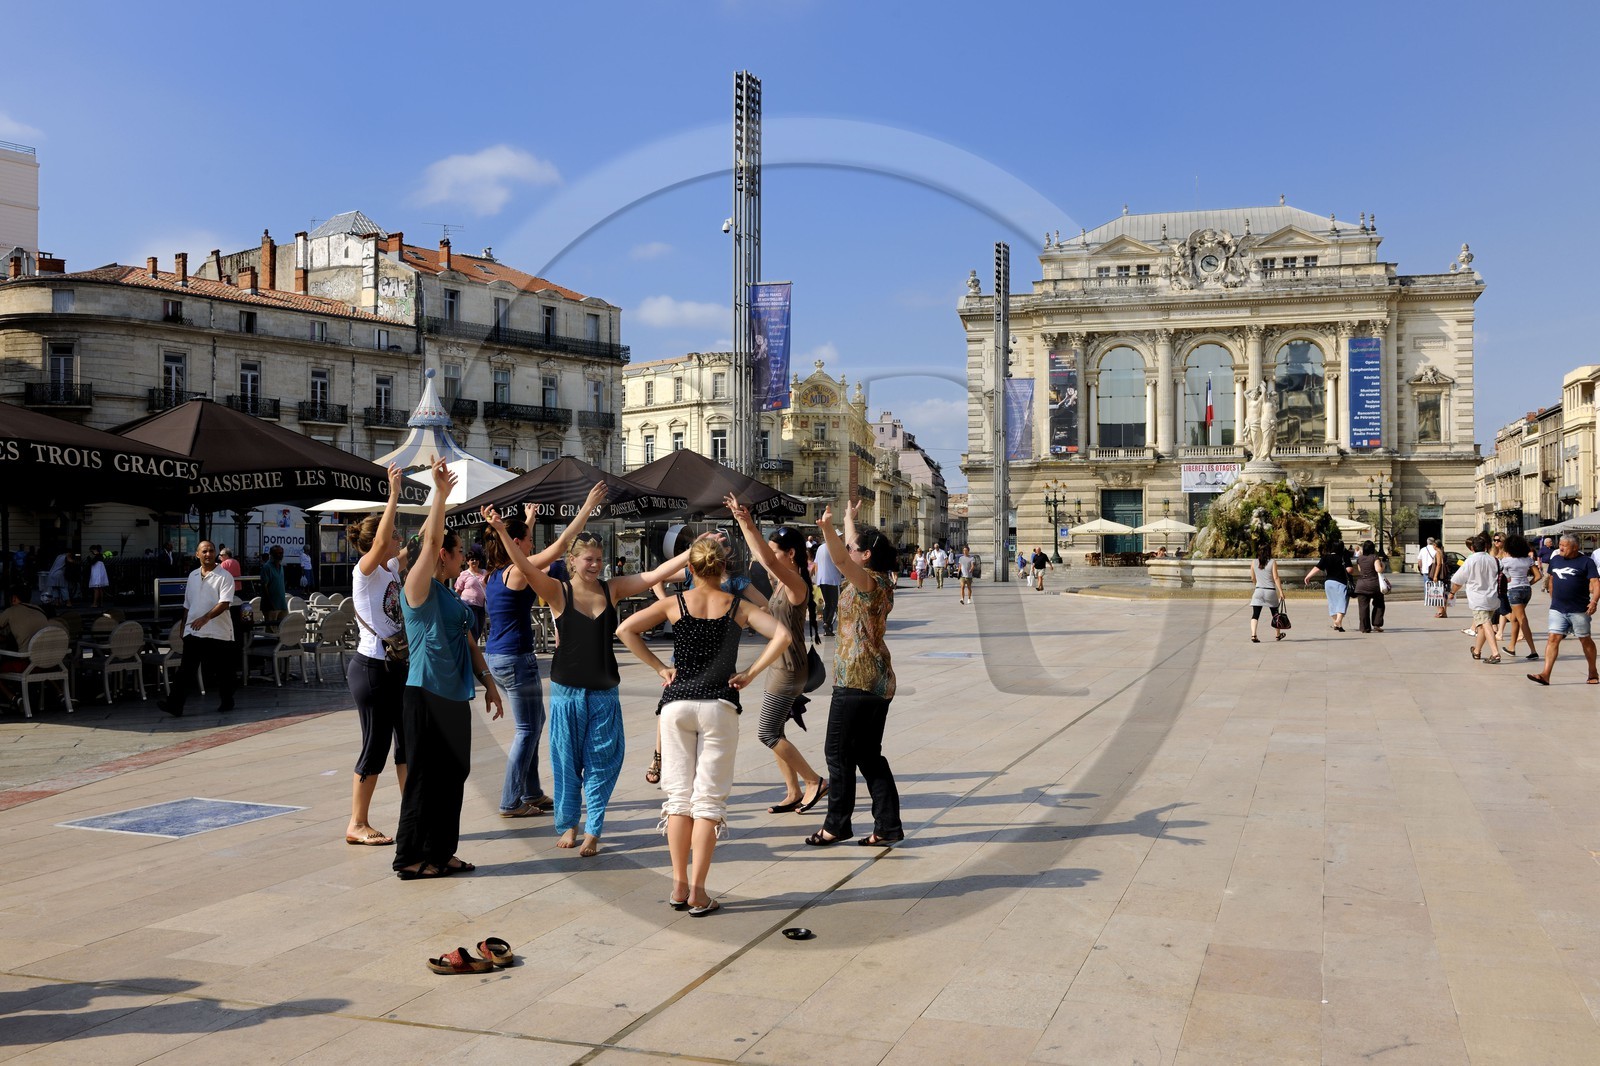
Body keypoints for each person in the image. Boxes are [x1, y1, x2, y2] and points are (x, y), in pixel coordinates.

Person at [479, 497, 700, 857]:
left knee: (601, 764)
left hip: (603, 692)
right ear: (573, 562)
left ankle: (593, 829)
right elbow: (523, 565)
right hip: (566, 693)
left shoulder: (611, 589)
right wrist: (505, 531)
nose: (596, 565)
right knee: (566, 765)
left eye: (599, 559)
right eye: (589, 559)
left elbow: (655, 575)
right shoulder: (556, 591)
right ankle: (569, 824)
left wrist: (696, 550)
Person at [617, 536, 791, 915]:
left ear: (691, 570)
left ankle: (678, 888)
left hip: (676, 705)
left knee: (678, 799)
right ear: (723, 569)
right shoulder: (738, 606)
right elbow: (783, 634)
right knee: (708, 801)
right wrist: (750, 672)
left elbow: (625, 630)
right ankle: (698, 892)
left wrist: (660, 667)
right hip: (718, 706)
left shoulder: (674, 604)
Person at [393, 459, 504, 880]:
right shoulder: (417, 590)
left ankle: (441, 851)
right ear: (444, 554)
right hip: (425, 693)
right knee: (424, 777)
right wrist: (439, 494)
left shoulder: (450, 596)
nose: (465, 557)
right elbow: (433, 537)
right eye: (460, 552)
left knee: (455, 773)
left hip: (456, 694)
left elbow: (469, 640)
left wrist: (488, 683)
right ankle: (410, 857)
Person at [482, 484, 606, 820]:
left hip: (497, 656)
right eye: (529, 541)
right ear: (518, 544)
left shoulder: (496, 573)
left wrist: (529, 519)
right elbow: (562, 546)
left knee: (534, 723)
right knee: (527, 729)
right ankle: (511, 800)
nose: (533, 546)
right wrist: (587, 507)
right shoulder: (518, 572)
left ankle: (531, 791)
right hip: (516, 657)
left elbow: (523, 552)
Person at [804, 501, 904, 848]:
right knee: (868, 755)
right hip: (877, 680)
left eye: (854, 546)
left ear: (865, 557)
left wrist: (827, 529)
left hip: (856, 679)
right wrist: (848, 520)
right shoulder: (877, 579)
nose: (848, 549)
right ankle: (888, 825)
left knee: (837, 752)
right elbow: (851, 552)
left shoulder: (867, 583)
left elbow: (842, 558)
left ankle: (836, 825)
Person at [724, 496, 827, 817]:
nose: (769, 557)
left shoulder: (795, 584)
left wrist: (750, 523)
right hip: (780, 666)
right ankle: (793, 790)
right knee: (776, 731)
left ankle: (814, 782)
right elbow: (762, 556)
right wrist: (742, 521)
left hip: (789, 668)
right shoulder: (782, 582)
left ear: (791, 554)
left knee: (767, 732)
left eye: (777, 550)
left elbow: (766, 559)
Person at [344, 463, 409, 847]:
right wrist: (393, 495)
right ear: (379, 543)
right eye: (393, 535)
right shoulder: (364, 571)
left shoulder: (389, 569)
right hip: (371, 668)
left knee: (406, 742)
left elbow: (421, 547)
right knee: (376, 744)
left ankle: (411, 814)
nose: (398, 539)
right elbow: (384, 534)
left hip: (395, 665)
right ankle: (357, 822)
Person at [157, 541, 236, 716]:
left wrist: (206, 617)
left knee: (223, 670)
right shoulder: (192, 576)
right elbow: (187, 604)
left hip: (218, 632)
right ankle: (175, 705)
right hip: (194, 630)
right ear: (197, 554)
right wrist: (184, 626)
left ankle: (227, 700)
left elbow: (224, 603)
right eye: (205, 551)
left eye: (211, 551)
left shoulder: (225, 576)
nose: (208, 554)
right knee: (185, 670)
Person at [1527, 533, 1600, 687]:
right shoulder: (1556, 559)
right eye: (1559, 544)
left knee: (1584, 639)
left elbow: (1596, 583)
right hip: (1558, 608)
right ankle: (1545, 674)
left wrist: (1594, 602)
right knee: (1553, 638)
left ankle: (1593, 671)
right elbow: (1552, 579)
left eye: (1564, 545)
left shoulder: (1586, 562)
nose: (1560, 548)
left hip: (1579, 609)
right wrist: (1553, 597)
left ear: (1574, 547)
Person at [1451, 535, 1502, 664]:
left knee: (1486, 624)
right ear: (1485, 547)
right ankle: (1477, 651)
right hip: (1493, 597)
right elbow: (1506, 575)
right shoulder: (1494, 560)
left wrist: (1452, 592)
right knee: (1482, 627)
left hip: (1478, 599)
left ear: (1472, 548)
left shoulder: (1470, 561)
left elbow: (1458, 580)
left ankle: (1495, 653)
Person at [0, 585, 51, 710]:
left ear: (14, 598)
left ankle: (14, 698)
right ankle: (60, 693)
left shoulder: (11, 611)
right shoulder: (40, 610)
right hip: (48, 662)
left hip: (26, 664)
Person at [1499, 533, 1541, 661]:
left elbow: (1500, 575)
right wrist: (1528, 583)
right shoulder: (1527, 559)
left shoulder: (1505, 561)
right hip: (1526, 590)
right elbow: (1538, 576)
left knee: (1522, 619)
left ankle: (1533, 651)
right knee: (1516, 619)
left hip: (1513, 590)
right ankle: (1511, 647)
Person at [1304, 538, 1351, 632]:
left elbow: (1317, 568)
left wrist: (1308, 576)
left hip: (1328, 583)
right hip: (1340, 583)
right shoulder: (1344, 557)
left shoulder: (1326, 557)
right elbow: (1349, 570)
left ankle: (1338, 625)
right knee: (1342, 602)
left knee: (1332, 603)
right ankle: (1338, 621)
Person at [1349, 539, 1388, 634]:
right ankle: (1377, 623)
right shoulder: (1374, 557)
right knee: (1379, 604)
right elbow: (1378, 569)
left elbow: (1360, 570)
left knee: (1363, 607)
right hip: (1374, 584)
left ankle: (1365, 628)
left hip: (1361, 585)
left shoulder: (1360, 558)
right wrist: (1383, 565)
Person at [1249, 545, 1285, 643]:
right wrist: (1281, 591)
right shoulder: (1272, 562)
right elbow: (1276, 578)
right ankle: (1277, 635)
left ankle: (1253, 635)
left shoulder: (1253, 562)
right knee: (1275, 614)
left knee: (1255, 614)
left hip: (1258, 590)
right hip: (1270, 591)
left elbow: (1252, 578)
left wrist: (1257, 585)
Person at [813, 528, 842, 637]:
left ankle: (827, 627)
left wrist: (817, 577)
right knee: (833, 604)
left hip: (821, 580)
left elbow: (815, 564)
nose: (840, 539)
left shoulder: (820, 547)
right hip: (833, 580)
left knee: (826, 604)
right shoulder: (836, 548)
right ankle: (827, 623)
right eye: (839, 537)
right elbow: (839, 563)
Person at [454, 551, 488, 640]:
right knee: (474, 629)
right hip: (469, 605)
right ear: (467, 562)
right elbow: (458, 590)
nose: (474, 561)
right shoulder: (464, 574)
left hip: (481, 606)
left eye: (476, 559)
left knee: (479, 629)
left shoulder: (485, 573)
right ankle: (472, 650)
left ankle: (472, 648)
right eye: (472, 559)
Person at [1417, 536, 1447, 619]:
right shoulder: (1442, 552)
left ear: (1435, 545)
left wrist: (1435, 576)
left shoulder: (1437, 552)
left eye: (1434, 545)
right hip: (1442, 575)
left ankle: (1440, 611)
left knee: (1435, 593)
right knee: (1441, 593)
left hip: (1436, 575)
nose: (1433, 547)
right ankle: (1444, 612)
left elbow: (1438, 565)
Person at [259, 545, 288, 628]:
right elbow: (264, 587)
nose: (280, 555)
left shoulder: (281, 567)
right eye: (277, 553)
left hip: (282, 604)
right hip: (271, 606)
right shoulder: (266, 567)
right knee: (271, 631)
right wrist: (270, 604)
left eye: (281, 553)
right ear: (271, 554)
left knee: (282, 630)